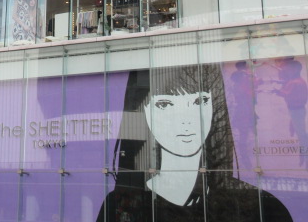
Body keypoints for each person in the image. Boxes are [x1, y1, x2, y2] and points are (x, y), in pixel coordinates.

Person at [97, 64, 292, 221]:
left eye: (199, 102)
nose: (186, 120)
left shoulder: (262, 206)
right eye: (165, 104)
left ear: (214, 106)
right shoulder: (121, 206)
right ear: (144, 111)